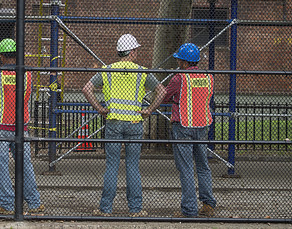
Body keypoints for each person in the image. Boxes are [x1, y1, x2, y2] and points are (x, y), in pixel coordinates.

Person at [82, 34, 161, 217]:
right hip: (134, 122)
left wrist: (100, 108)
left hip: (114, 122)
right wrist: (148, 110)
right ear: (132, 52)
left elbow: (86, 88)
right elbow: (161, 91)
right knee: (132, 166)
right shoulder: (142, 71)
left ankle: (105, 209)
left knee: (112, 165)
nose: (137, 53)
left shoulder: (108, 70)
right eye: (136, 50)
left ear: (119, 51)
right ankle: (135, 209)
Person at [141, 43, 217, 218]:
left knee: (186, 168)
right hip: (202, 125)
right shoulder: (208, 77)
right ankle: (208, 204)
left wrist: (152, 104)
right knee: (203, 166)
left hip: (183, 125)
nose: (177, 62)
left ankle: (189, 209)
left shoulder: (179, 78)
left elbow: (165, 96)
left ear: (184, 62)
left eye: (179, 60)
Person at [0, 38, 44, 215]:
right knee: (25, 165)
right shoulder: (27, 75)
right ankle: (35, 204)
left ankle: (7, 205)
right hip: (20, 127)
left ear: (2, 57)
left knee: (2, 167)